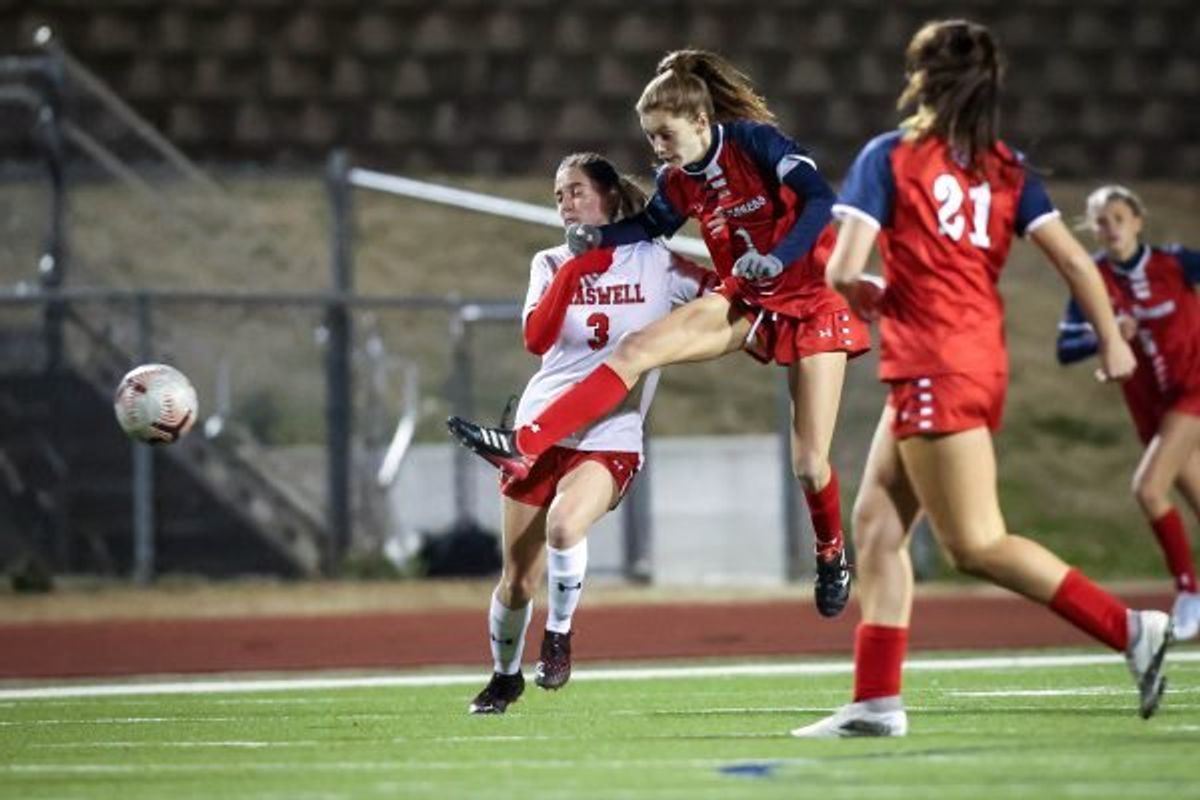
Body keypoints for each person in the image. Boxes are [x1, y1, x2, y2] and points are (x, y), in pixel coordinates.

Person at [790, 19, 1173, 738]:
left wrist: (863, 289)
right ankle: (876, 702)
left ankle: (1129, 628)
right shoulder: (1006, 166)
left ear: (919, 77)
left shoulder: (893, 156)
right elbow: (1073, 260)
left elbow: (842, 269)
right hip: (970, 358)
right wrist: (1113, 345)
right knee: (875, 528)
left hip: (934, 360)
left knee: (975, 543)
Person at [449, 50, 870, 616]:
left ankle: (831, 551)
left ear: (700, 123)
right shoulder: (678, 179)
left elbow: (823, 202)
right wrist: (596, 241)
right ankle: (526, 445)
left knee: (808, 463)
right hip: (747, 295)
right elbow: (650, 224)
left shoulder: (756, 143)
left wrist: (778, 256)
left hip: (813, 297)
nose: (658, 150)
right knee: (638, 348)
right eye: (650, 138)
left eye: (665, 135)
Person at [467, 152, 715, 714]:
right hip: (541, 429)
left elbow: (722, 303)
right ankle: (505, 677)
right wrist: (580, 268)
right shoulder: (551, 261)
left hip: (611, 433)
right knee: (516, 581)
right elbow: (536, 338)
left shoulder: (656, 261)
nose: (566, 203)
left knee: (564, 525)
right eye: (558, 196)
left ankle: (558, 636)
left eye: (577, 191)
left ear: (609, 198)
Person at [1056, 184, 1200, 641]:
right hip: (1149, 406)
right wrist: (1108, 334)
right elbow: (1065, 346)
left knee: (1149, 488)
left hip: (1192, 391)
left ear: (1138, 220)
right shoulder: (1092, 280)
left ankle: (1188, 591)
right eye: (1101, 221)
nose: (1111, 228)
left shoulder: (1174, 262)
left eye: (1119, 217)